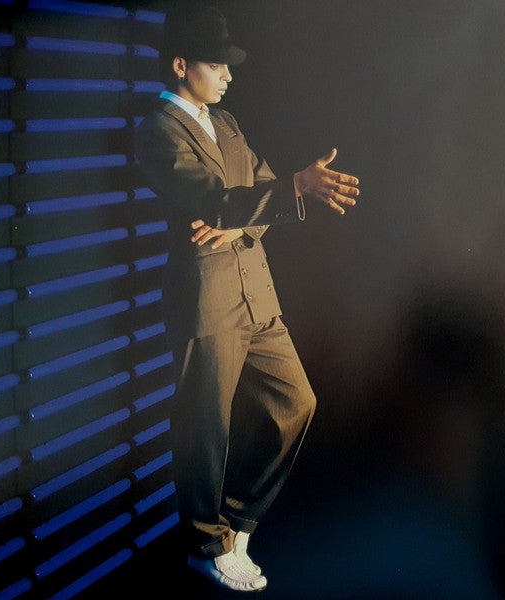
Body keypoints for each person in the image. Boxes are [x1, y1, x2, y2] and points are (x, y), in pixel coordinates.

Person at [134, 4, 360, 592]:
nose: (228, 75)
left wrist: (239, 220)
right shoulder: (158, 130)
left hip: (256, 293)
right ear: (180, 65)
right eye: (216, 65)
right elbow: (217, 199)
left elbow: (256, 194)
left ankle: (234, 525)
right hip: (206, 299)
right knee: (205, 428)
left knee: (296, 403)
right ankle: (205, 547)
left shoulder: (227, 122)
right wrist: (279, 192)